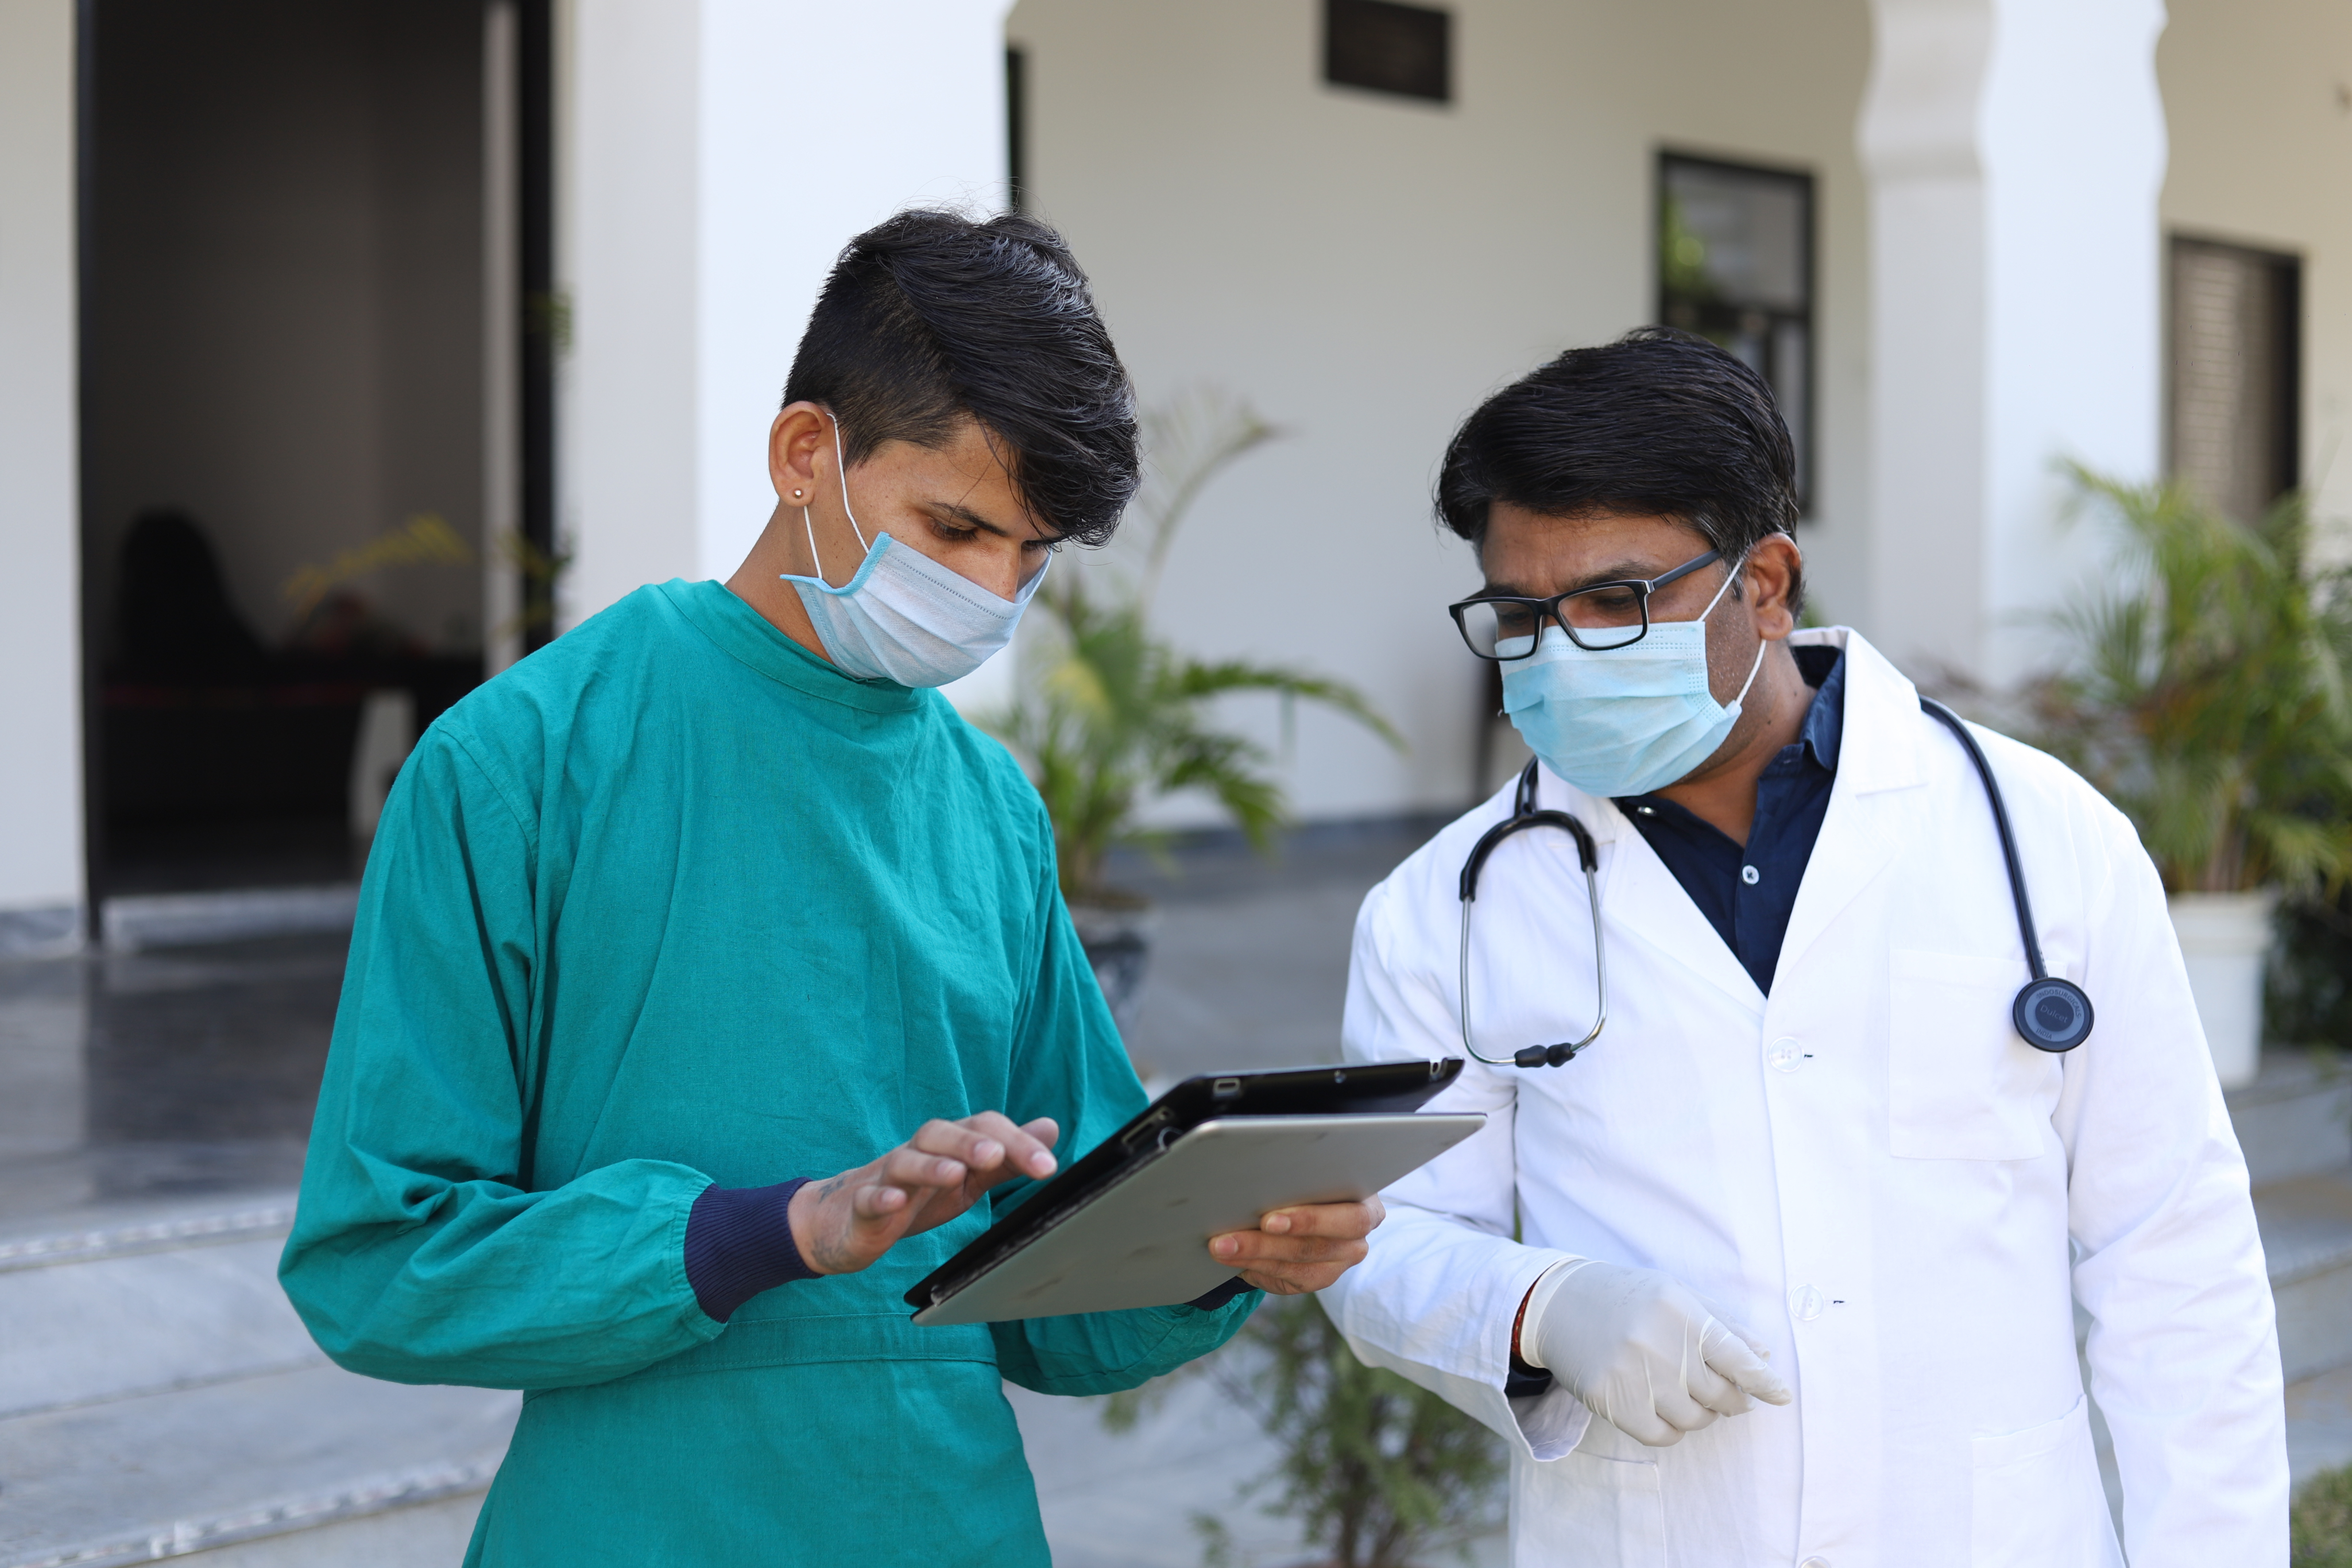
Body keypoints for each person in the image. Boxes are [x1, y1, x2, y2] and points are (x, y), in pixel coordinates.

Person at [278, 210, 1383, 1567]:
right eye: (957, 526)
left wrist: (1219, 1240)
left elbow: (1056, 1300)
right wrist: (773, 1233)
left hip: (952, 1527)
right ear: (808, 452)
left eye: (1027, 559)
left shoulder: (988, 811)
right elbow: (379, 1261)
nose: (988, 593)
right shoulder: (522, 763)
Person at [1318, 329, 2286, 1566]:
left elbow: (2172, 1255)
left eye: (1615, 602)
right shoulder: (1441, 909)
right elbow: (1379, 1236)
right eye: (1521, 615)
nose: (1561, 653)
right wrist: (1537, 1307)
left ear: (1764, 583)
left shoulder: (2046, 842)